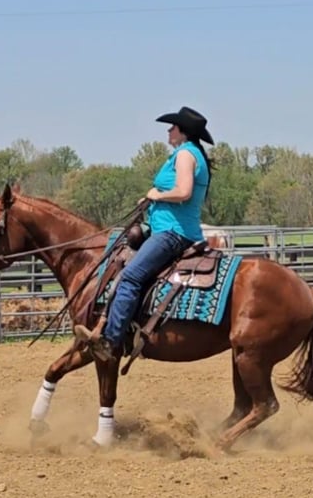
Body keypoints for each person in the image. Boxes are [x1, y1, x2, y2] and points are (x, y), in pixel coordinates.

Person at [74, 106, 215, 362]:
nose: (168, 130)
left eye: (172, 126)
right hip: (165, 228)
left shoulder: (185, 154)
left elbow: (183, 191)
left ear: (182, 131)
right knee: (121, 263)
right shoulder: (186, 154)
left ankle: (111, 339)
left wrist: (156, 196)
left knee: (130, 277)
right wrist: (151, 198)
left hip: (174, 233)